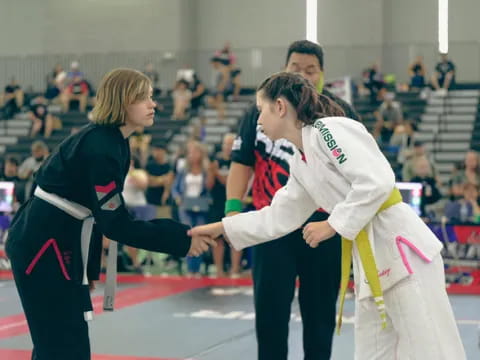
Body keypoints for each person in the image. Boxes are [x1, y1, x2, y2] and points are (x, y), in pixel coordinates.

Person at [190, 72, 466, 360]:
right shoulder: (301, 160)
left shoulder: (328, 130)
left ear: (281, 107)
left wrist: (332, 225)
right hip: (371, 259)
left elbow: (378, 181)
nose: (258, 121)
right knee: (373, 352)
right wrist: (222, 227)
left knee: (429, 348)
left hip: (401, 251)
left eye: (262, 110)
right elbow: (277, 216)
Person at [5, 68, 214, 360]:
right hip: (42, 244)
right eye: (145, 98)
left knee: (65, 344)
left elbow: (95, 212)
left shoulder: (114, 142)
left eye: (151, 97)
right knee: (61, 346)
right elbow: (115, 224)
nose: (153, 105)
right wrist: (181, 240)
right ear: (123, 101)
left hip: (56, 240)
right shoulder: (101, 146)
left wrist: (88, 266)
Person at [223, 40, 359, 360]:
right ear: (284, 70)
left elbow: (359, 173)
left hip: (324, 228)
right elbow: (242, 162)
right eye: (295, 69)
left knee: (320, 314)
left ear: (322, 74)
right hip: (272, 225)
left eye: (311, 70)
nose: (303, 76)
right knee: (270, 314)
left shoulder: (340, 113)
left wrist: (342, 222)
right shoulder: (261, 112)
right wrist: (232, 208)